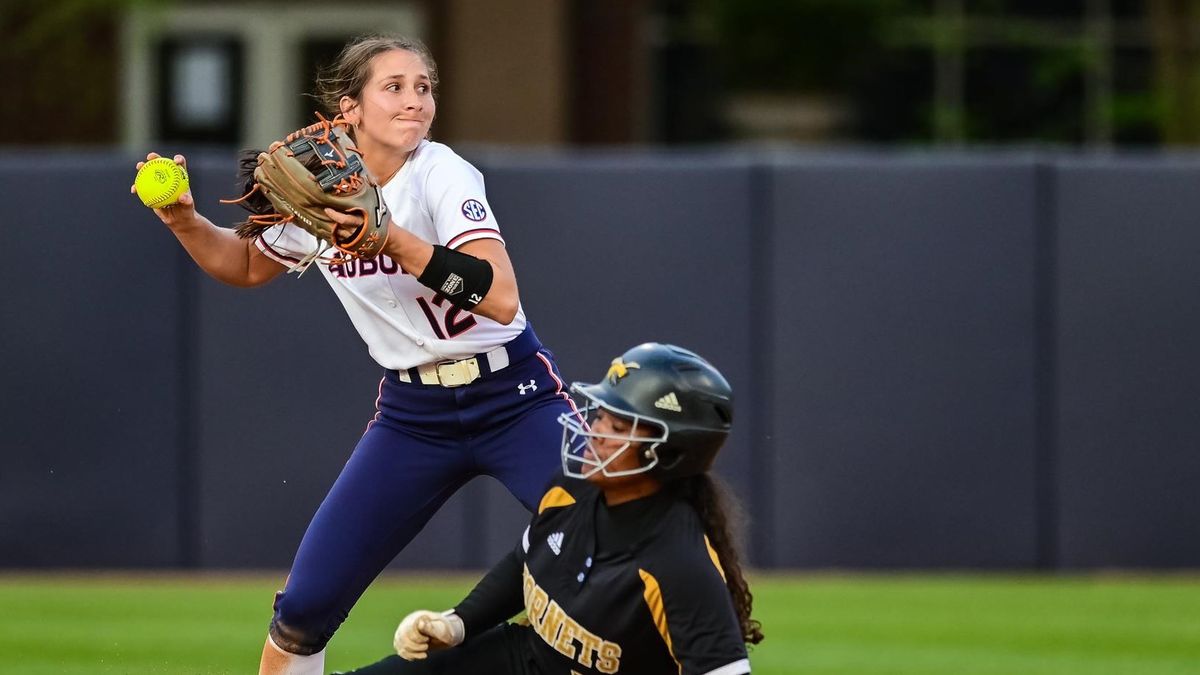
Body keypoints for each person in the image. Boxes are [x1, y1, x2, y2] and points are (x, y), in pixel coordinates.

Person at [130, 35, 574, 675]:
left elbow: (499, 296)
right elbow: (250, 264)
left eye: (423, 86)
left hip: (514, 398)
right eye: (393, 86)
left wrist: (386, 236)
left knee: (606, 532)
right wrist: (184, 222)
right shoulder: (318, 179)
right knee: (305, 608)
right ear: (350, 109)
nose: (415, 100)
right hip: (413, 415)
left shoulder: (440, 171)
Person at [339, 343, 764, 675]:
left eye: (618, 426)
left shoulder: (678, 564)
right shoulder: (574, 487)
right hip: (522, 660)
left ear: (667, 453)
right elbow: (527, 559)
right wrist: (459, 623)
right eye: (600, 415)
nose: (594, 430)